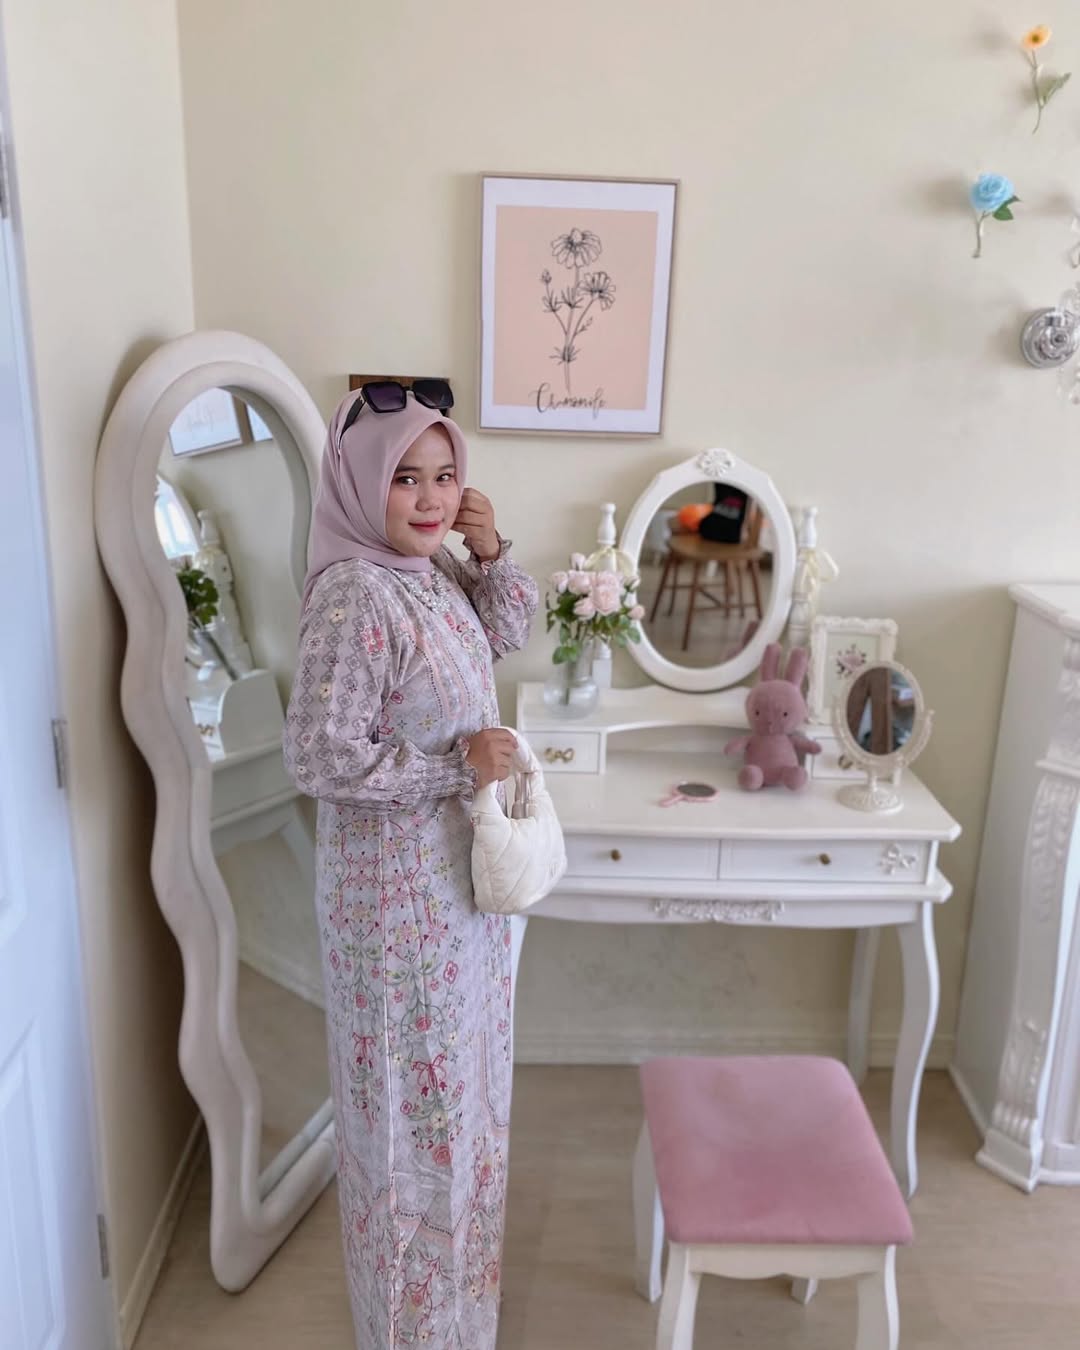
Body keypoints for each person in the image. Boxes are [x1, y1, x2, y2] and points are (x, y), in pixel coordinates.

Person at [283, 383, 538, 1349]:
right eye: (405, 479)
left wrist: (490, 549)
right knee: (407, 1127)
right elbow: (317, 756)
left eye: (444, 476)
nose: (431, 498)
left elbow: (506, 630)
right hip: (394, 913)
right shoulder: (356, 593)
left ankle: (456, 1324)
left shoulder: (426, 572)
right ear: (360, 484)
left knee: (456, 1114)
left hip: (452, 897)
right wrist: (454, 767)